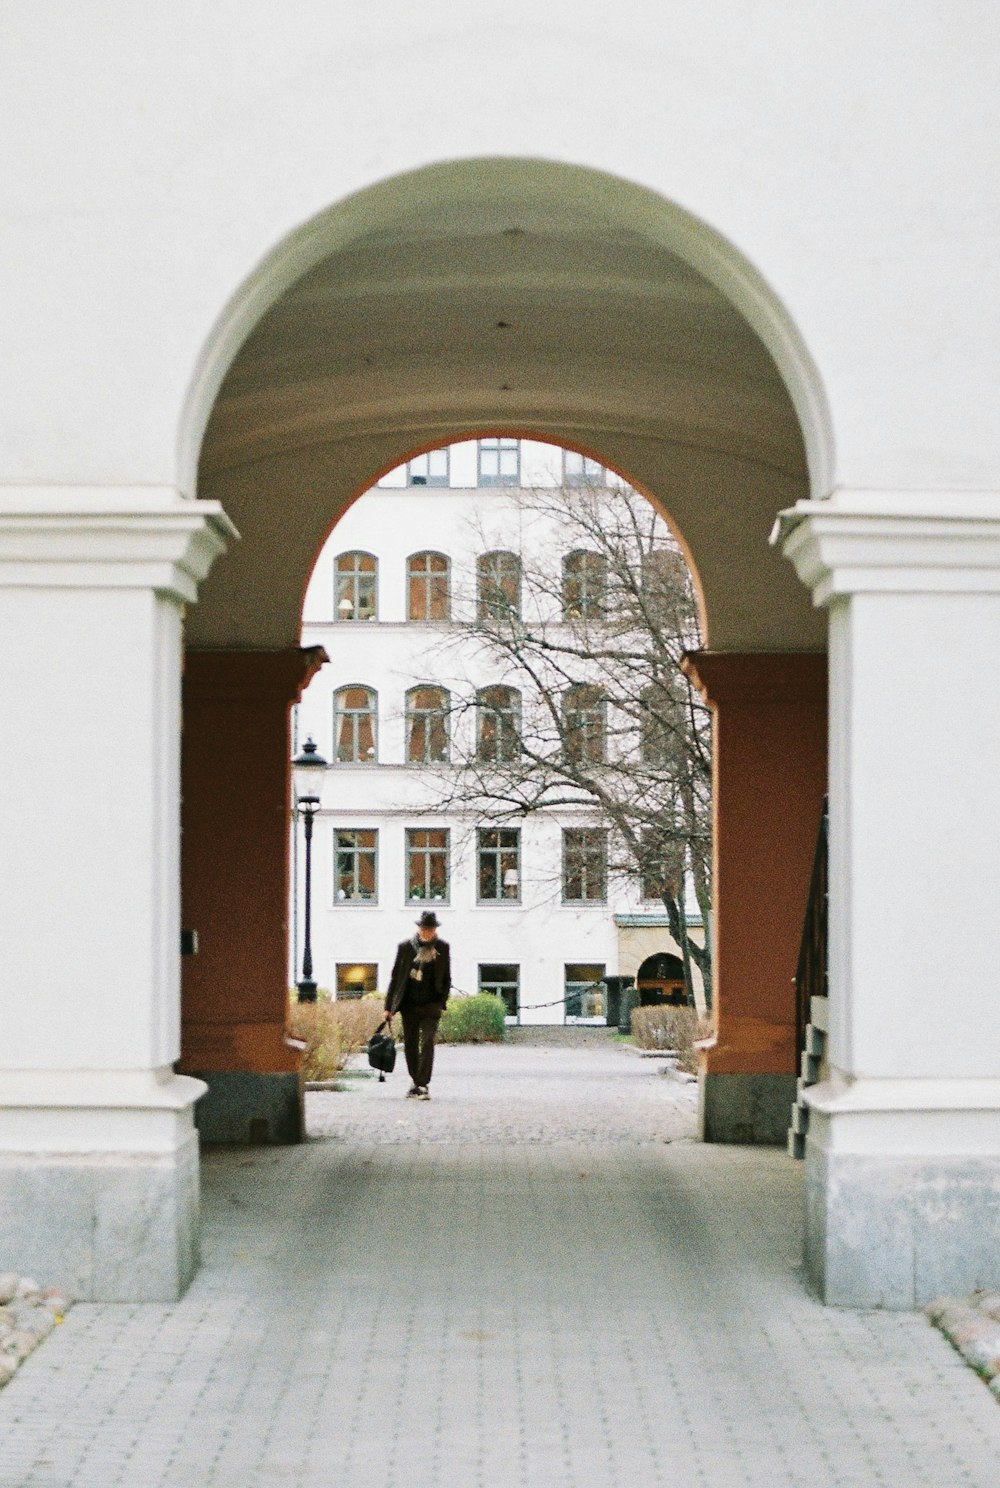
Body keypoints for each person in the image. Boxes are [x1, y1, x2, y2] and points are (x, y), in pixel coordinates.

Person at [383, 910, 451, 1099]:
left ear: (435, 929)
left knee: (428, 1042)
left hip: (431, 1004)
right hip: (409, 1004)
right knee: (410, 1045)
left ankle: (422, 1084)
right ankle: (416, 1081)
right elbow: (395, 978)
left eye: (430, 929)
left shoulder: (443, 948)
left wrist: (442, 1000)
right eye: (424, 928)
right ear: (419, 928)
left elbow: (446, 976)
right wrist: (388, 1007)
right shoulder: (405, 948)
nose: (427, 932)